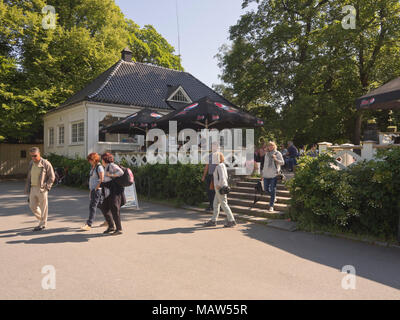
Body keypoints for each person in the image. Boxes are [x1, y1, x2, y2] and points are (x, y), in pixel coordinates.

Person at [24, 147, 55, 231]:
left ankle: (43, 224)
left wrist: (47, 187)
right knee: (32, 206)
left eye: (35, 156)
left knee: (43, 207)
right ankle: (42, 219)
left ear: (39, 154)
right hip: (33, 188)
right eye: (32, 156)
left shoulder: (45, 163)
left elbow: (52, 177)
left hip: (42, 188)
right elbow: (29, 176)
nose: (33, 158)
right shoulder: (31, 163)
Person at [204, 152, 236, 228]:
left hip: (220, 188)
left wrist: (218, 185)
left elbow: (222, 178)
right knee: (215, 204)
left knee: (224, 204)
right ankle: (213, 220)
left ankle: (231, 220)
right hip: (220, 187)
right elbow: (226, 177)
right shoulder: (222, 165)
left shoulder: (219, 166)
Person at [99, 152, 125, 235]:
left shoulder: (112, 165)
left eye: (102, 159)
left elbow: (121, 172)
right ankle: (111, 226)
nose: (101, 160)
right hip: (108, 192)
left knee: (114, 209)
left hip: (114, 191)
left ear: (105, 159)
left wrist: (110, 174)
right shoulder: (106, 166)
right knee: (104, 207)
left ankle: (119, 229)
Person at [80, 153, 105, 231]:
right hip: (93, 190)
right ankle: (108, 220)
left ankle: (89, 224)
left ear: (94, 159)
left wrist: (96, 189)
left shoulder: (99, 167)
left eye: (90, 160)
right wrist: (91, 190)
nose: (89, 161)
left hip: (97, 190)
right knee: (101, 205)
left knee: (92, 207)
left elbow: (102, 179)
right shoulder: (93, 167)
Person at [260, 141, 285, 212]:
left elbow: (283, 163)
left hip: (274, 174)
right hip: (266, 175)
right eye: (269, 146)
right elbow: (265, 165)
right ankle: (273, 196)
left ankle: (271, 206)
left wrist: (275, 159)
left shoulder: (278, 153)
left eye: (272, 146)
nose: (270, 147)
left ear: (274, 146)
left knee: (273, 189)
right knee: (266, 189)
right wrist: (262, 173)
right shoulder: (267, 154)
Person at [201, 141, 219, 211]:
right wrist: (203, 176)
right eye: (212, 146)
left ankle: (217, 206)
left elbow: (220, 166)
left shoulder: (219, 155)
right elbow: (206, 166)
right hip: (209, 175)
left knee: (216, 192)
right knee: (209, 191)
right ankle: (211, 205)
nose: (213, 147)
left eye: (214, 146)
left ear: (217, 147)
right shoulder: (209, 155)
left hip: (216, 176)